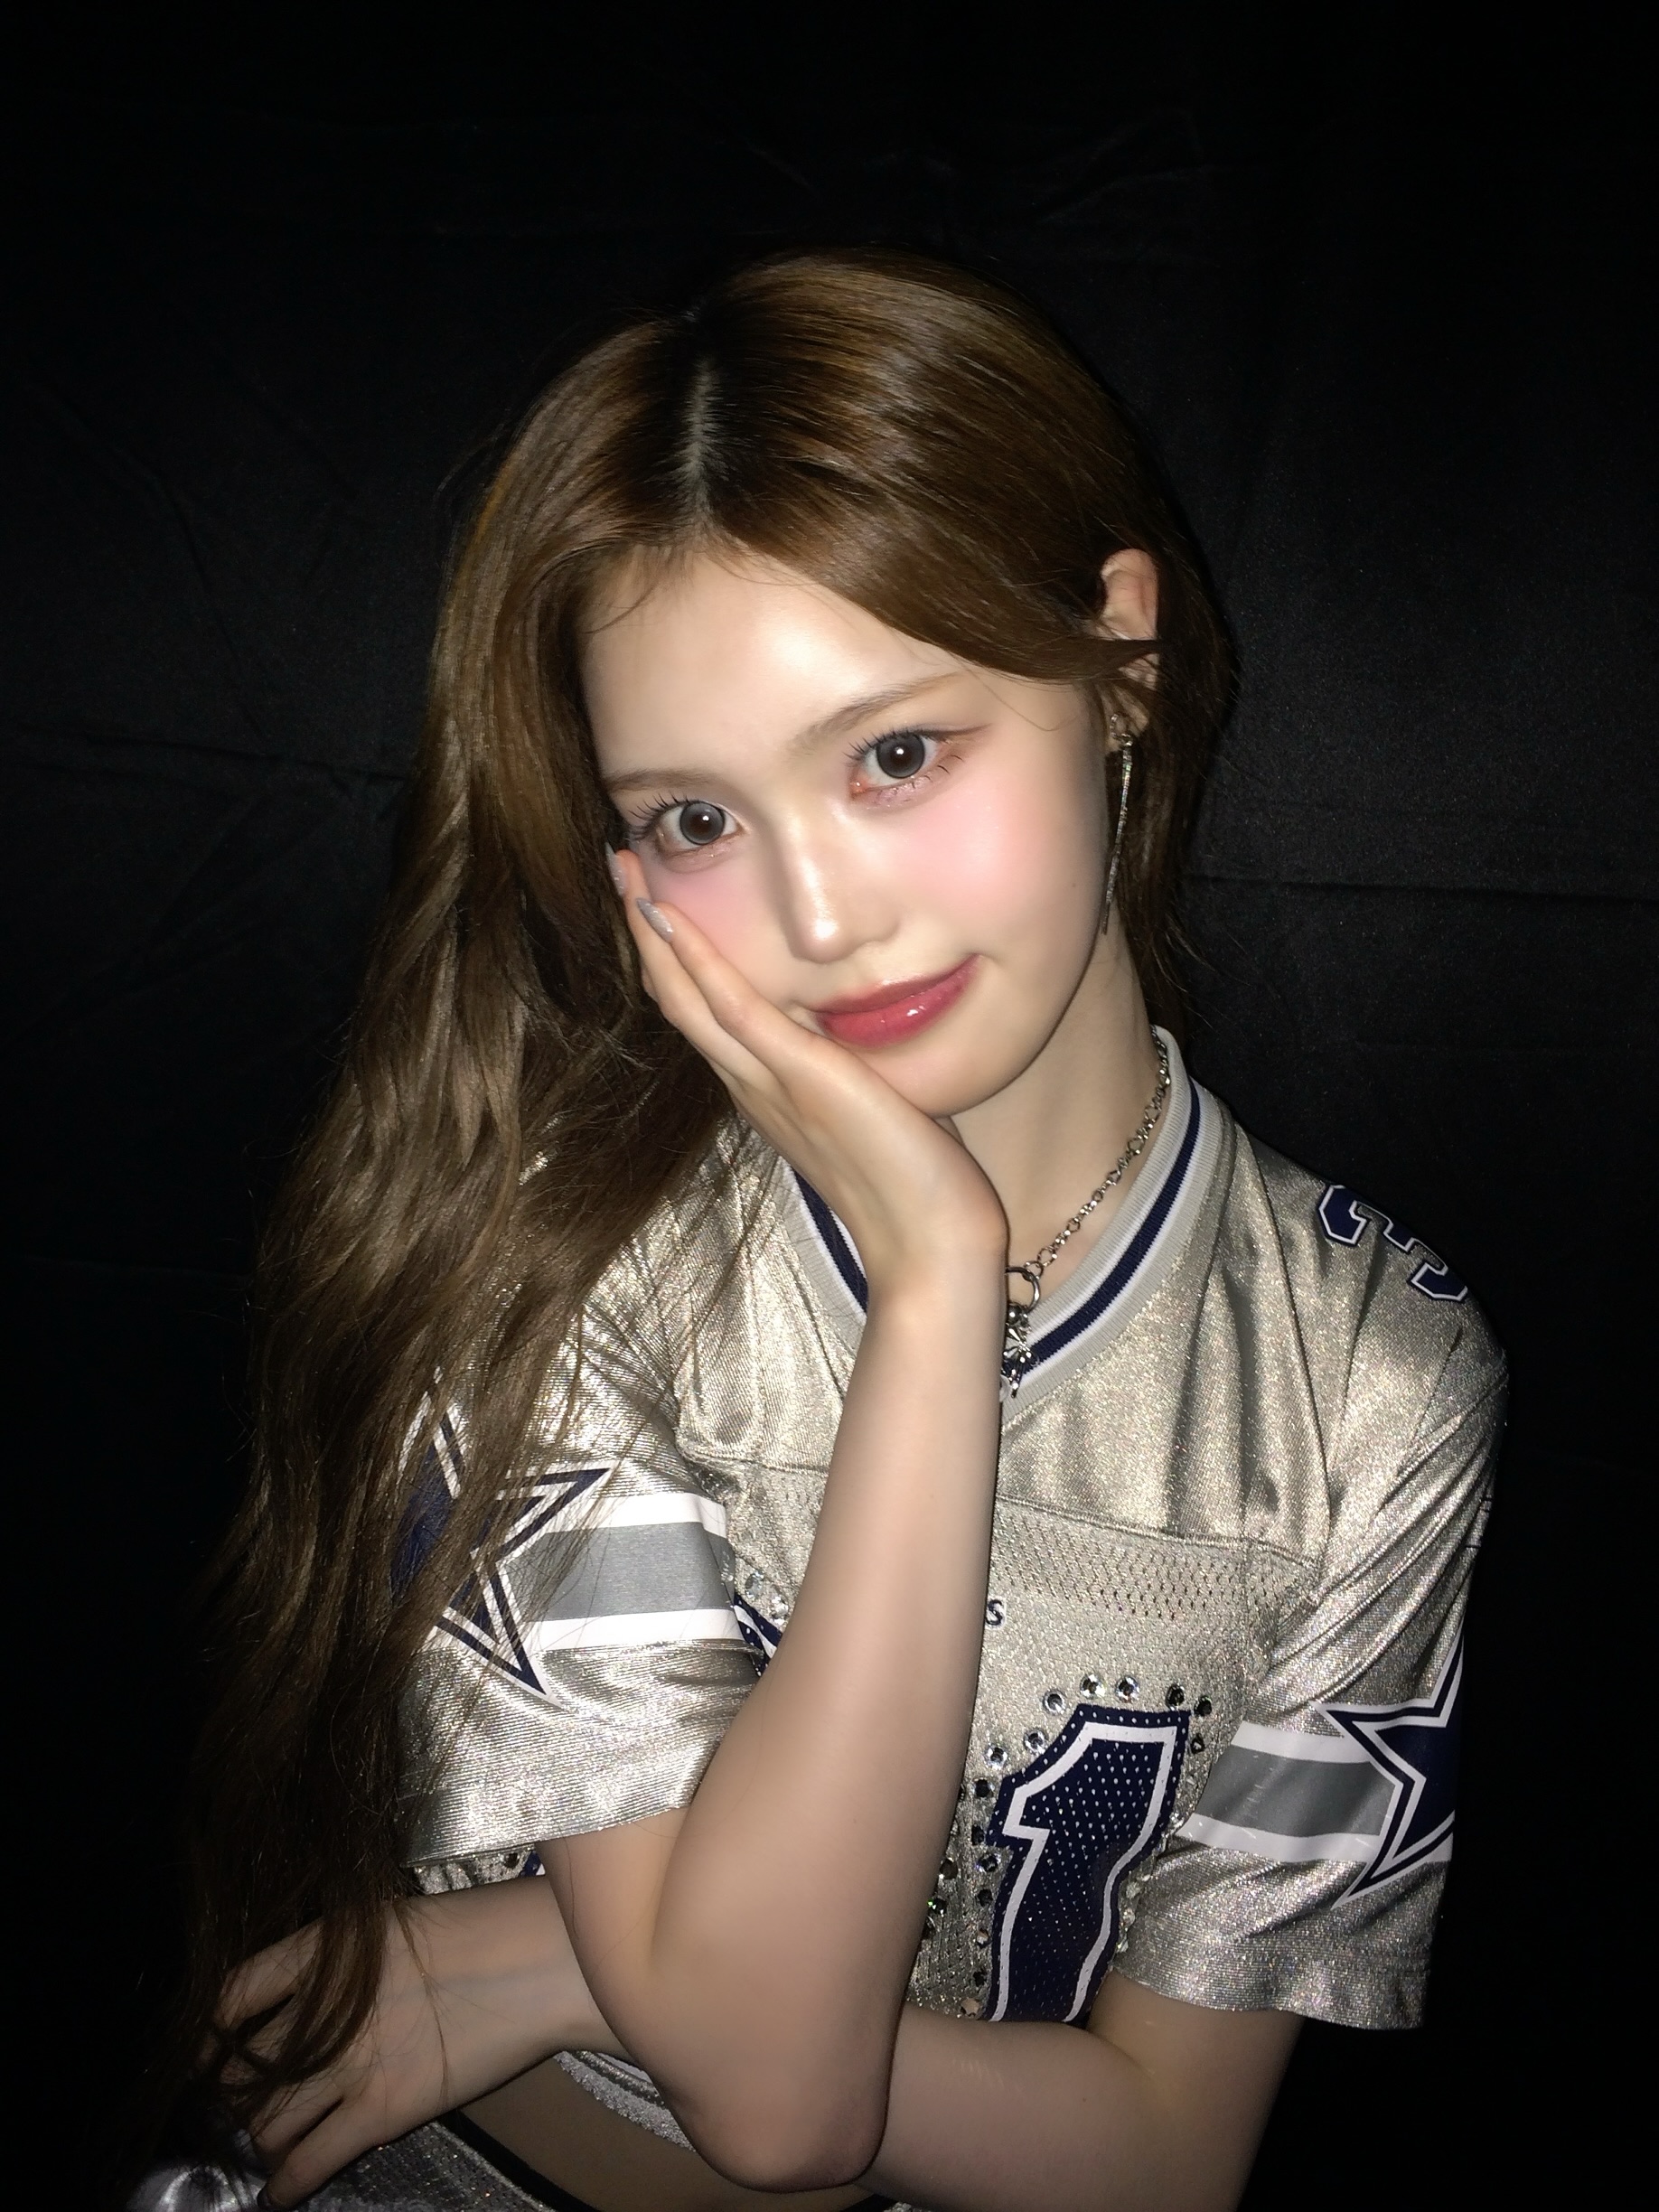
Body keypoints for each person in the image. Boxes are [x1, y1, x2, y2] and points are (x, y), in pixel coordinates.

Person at [148, 251, 1504, 2212]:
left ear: (1119, 655)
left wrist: (551, 1960)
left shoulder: (1371, 1380)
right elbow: (774, 2103)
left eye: (896, 754)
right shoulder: (581, 1267)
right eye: (695, 819)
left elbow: (1165, 2157)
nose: (823, 917)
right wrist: (938, 1284)